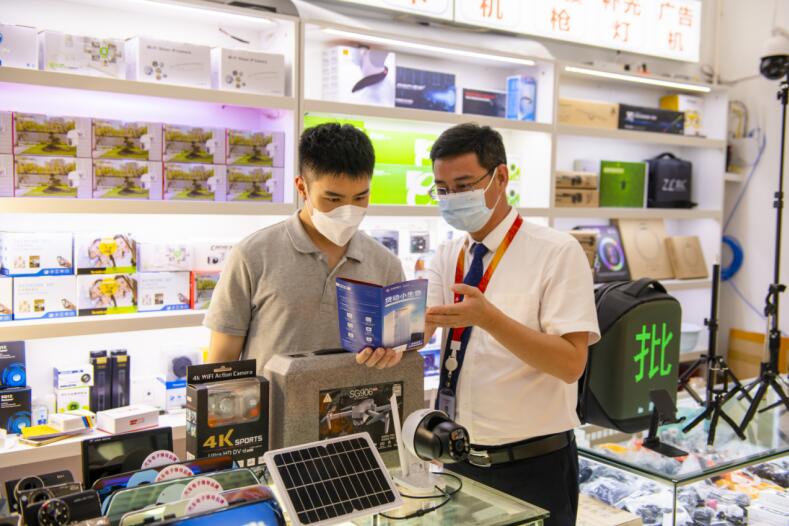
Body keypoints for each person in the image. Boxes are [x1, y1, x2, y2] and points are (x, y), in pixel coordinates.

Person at [359, 123, 600, 524]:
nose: (452, 198)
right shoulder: (449, 254)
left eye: (464, 185)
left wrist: (490, 320)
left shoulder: (557, 252)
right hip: (457, 461)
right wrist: (389, 341)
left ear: (500, 177)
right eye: (442, 189)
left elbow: (571, 364)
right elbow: (423, 326)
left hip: (533, 466)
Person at [205, 123, 405, 371]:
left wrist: (393, 353)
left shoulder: (386, 264)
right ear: (302, 187)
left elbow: (397, 354)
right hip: (272, 398)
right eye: (333, 199)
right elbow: (221, 359)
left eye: (360, 197)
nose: (348, 212)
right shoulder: (252, 255)